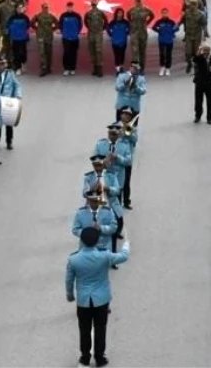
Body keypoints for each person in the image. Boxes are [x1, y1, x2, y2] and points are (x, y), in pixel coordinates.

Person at [66, 227, 130, 367]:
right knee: (100, 328)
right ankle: (100, 358)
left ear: (82, 240)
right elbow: (123, 257)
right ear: (97, 241)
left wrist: (70, 295)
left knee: (84, 329)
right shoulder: (104, 255)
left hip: (83, 301)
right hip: (101, 300)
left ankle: (84, 358)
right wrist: (126, 247)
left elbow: (69, 280)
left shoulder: (74, 259)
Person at [82, 155, 124, 253]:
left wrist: (108, 188)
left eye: (99, 165)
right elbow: (84, 193)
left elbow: (117, 190)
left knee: (113, 231)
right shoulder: (88, 177)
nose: (97, 168)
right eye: (95, 165)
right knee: (95, 230)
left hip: (110, 205)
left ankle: (112, 255)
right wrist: (92, 189)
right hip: (95, 207)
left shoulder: (111, 175)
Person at [0, 57, 22, 151]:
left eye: (5, 63)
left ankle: (9, 142)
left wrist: (18, 96)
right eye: (1, 63)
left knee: (9, 123)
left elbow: (17, 85)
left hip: (8, 102)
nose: (4, 65)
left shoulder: (10, 73)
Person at [192, 42, 211, 124]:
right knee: (198, 101)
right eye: (204, 50)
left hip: (210, 83)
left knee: (210, 101)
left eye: (207, 50)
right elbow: (194, 59)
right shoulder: (199, 58)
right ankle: (197, 116)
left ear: (210, 51)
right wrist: (199, 50)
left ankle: (210, 118)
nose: (206, 52)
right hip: (199, 82)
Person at [126, 0, 155, 67]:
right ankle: (135, 67)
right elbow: (128, 15)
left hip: (143, 32)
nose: (138, 2)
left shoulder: (146, 9)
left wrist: (147, 23)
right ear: (135, 1)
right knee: (134, 50)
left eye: (139, 1)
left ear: (141, 1)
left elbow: (152, 15)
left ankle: (142, 67)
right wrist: (131, 22)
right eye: (137, 1)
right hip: (134, 32)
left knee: (142, 50)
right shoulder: (131, 9)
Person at [32, 2, 57, 76]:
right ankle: (43, 68)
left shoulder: (51, 16)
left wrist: (52, 29)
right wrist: (37, 29)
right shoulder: (38, 15)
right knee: (42, 52)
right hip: (41, 36)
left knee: (49, 52)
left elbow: (57, 23)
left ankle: (49, 68)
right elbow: (32, 23)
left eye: (47, 7)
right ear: (42, 8)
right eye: (44, 7)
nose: (46, 9)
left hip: (49, 36)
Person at [151, 7, 178, 76]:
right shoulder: (159, 22)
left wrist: (172, 32)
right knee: (162, 54)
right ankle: (162, 67)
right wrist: (159, 31)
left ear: (168, 13)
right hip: (161, 40)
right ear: (161, 14)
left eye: (166, 13)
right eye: (163, 13)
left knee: (168, 55)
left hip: (169, 40)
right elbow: (153, 27)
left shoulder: (171, 22)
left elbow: (176, 28)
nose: (164, 14)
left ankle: (168, 68)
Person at [59, 1, 84, 76]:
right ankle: (66, 69)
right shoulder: (63, 15)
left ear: (73, 7)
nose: (70, 8)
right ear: (66, 7)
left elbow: (80, 25)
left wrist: (76, 33)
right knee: (66, 53)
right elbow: (60, 25)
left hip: (74, 38)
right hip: (66, 38)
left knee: (73, 53)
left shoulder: (77, 15)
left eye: (71, 6)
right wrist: (64, 33)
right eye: (68, 6)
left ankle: (72, 68)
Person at [5, 3, 31, 73]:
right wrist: (8, 31)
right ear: (16, 9)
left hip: (23, 38)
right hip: (15, 38)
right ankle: (18, 67)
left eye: (21, 8)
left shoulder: (25, 17)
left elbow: (28, 27)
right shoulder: (12, 18)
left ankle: (23, 63)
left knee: (23, 52)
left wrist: (27, 34)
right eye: (18, 8)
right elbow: (7, 26)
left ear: (23, 9)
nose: (20, 9)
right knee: (16, 53)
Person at [85, 0, 108, 77]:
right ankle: (95, 68)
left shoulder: (100, 13)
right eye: (93, 4)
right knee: (92, 51)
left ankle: (99, 69)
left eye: (95, 4)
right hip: (91, 34)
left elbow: (106, 20)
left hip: (98, 34)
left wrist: (102, 29)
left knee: (98, 51)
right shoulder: (88, 13)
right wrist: (90, 28)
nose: (94, 5)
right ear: (91, 5)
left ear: (97, 4)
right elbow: (85, 21)